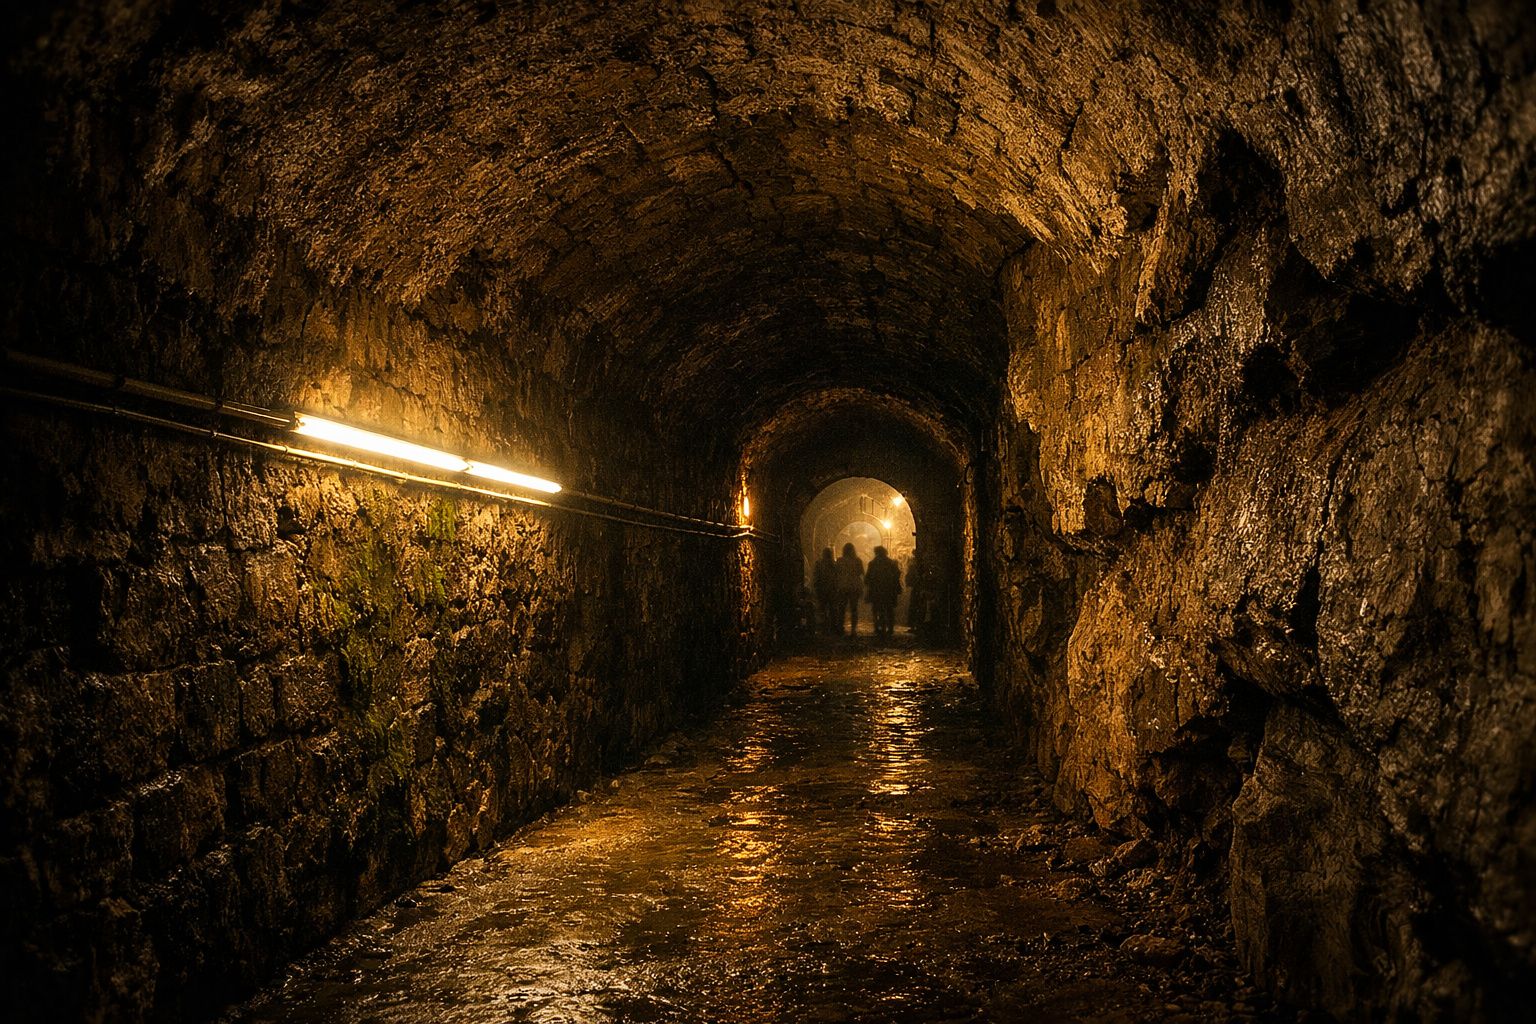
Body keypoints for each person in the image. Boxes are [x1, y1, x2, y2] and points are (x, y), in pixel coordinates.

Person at [865, 545, 902, 641]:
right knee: (889, 609)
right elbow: (897, 574)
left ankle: (878, 627)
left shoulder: (872, 563)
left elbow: (868, 577)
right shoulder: (891, 563)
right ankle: (890, 628)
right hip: (889, 589)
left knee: (877, 609)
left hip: (876, 589)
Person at [834, 542, 864, 635]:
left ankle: (840, 627)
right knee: (854, 609)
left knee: (841, 608)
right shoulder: (857, 561)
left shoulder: (839, 561)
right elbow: (861, 572)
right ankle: (853, 630)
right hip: (854, 587)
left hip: (843, 586)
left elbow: (836, 573)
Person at [812, 547, 839, 635]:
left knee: (822, 609)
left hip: (821, 589)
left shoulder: (818, 563)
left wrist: (815, 587)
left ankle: (823, 627)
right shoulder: (834, 564)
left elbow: (816, 576)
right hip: (832, 589)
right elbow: (837, 577)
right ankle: (833, 627)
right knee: (832, 609)